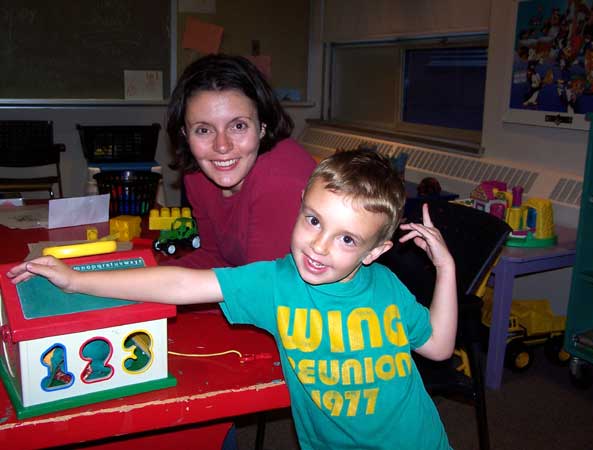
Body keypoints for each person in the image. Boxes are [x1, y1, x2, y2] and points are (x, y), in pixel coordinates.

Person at [8, 149, 457, 450]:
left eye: (345, 239)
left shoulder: (388, 288)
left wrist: (446, 270)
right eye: (313, 220)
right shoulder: (274, 283)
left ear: (375, 252)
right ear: (299, 205)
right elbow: (181, 285)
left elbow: (437, 347)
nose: (319, 246)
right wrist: (77, 280)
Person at [165, 53, 316, 269]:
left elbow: (260, 289)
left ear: (262, 126)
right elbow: (214, 258)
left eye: (238, 126)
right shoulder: (198, 173)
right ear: (185, 134)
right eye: (204, 130)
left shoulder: (280, 181)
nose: (222, 146)